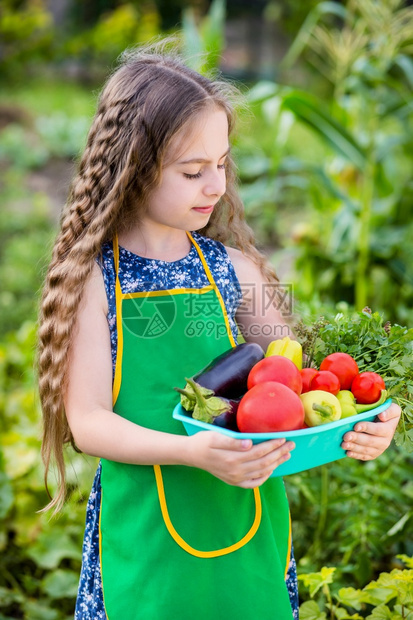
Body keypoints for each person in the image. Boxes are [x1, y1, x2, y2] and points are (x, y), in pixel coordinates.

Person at [37, 44, 401, 620]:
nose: (216, 184)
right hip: (146, 533)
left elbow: (304, 386)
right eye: (192, 171)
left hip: (246, 526)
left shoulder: (236, 272)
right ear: (131, 170)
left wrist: (364, 423)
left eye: (222, 163)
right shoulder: (94, 282)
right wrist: (193, 451)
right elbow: (89, 424)